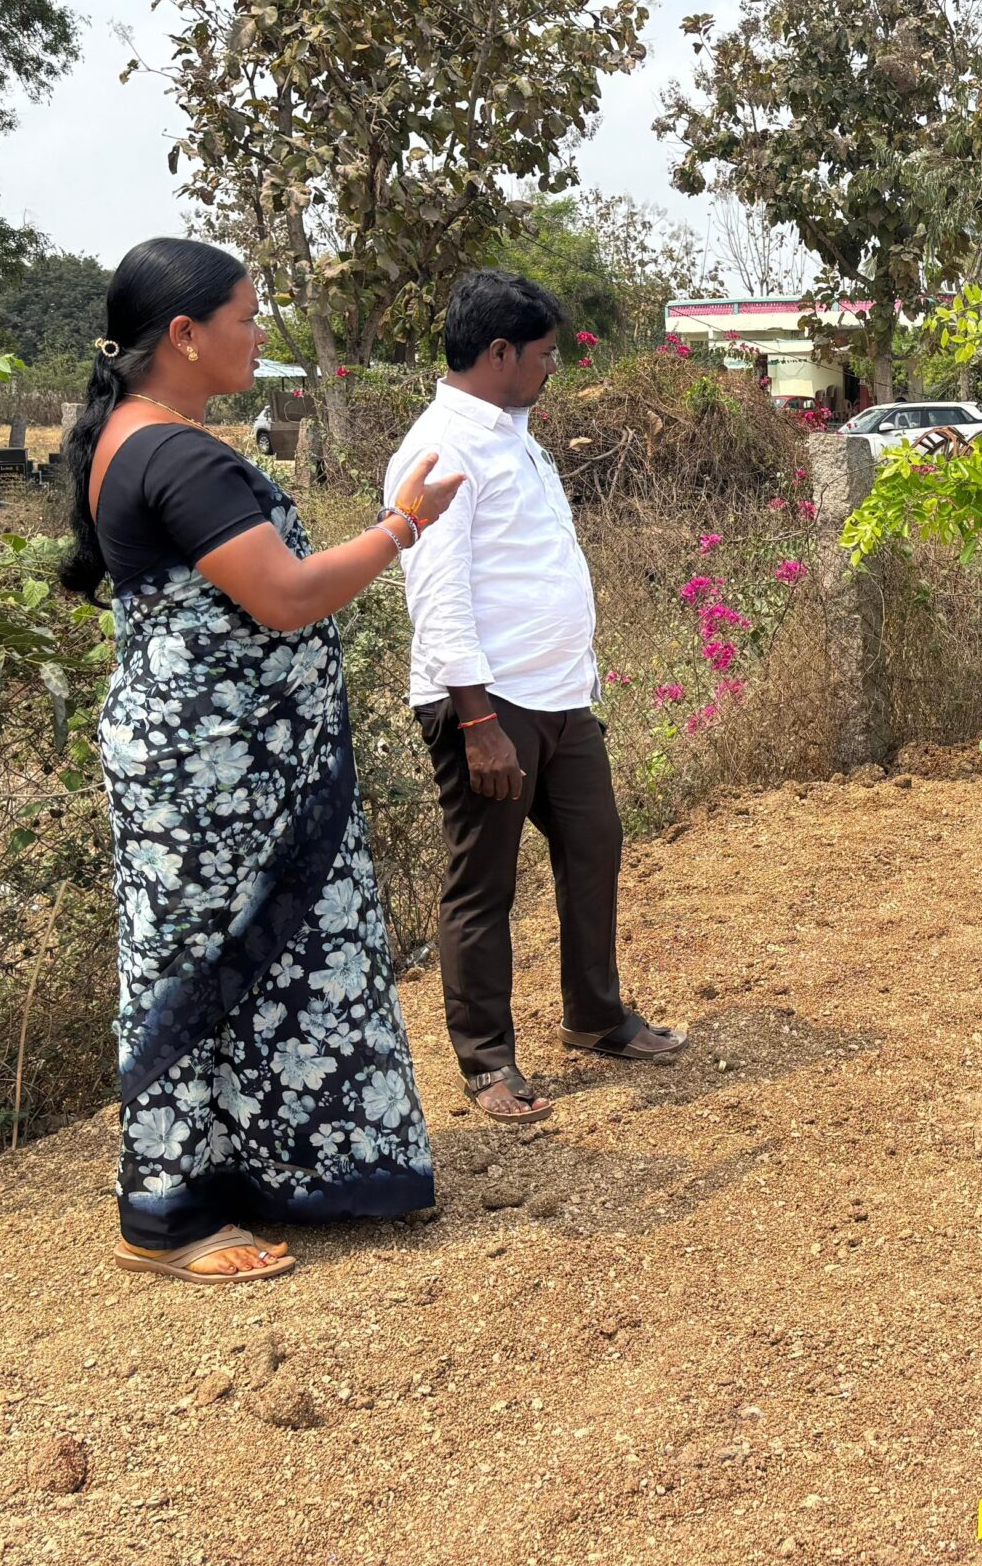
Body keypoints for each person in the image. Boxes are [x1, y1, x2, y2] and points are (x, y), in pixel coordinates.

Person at [61, 238, 461, 1284]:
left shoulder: (139, 441)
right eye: (245, 315)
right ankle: (166, 1215)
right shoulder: (174, 456)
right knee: (196, 969)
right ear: (184, 335)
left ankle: (256, 1172)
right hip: (216, 774)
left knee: (240, 965)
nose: (260, 332)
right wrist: (400, 529)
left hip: (209, 762)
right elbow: (283, 595)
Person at [387, 269, 684, 1125]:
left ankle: (596, 1016)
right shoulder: (439, 449)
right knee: (483, 883)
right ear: (500, 352)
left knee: (594, 848)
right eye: (546, 354)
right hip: (489, 706)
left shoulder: (516, 434)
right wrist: (478, 721)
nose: (555, 368)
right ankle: (486, 1060)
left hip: (558, 697)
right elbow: (437, 596)